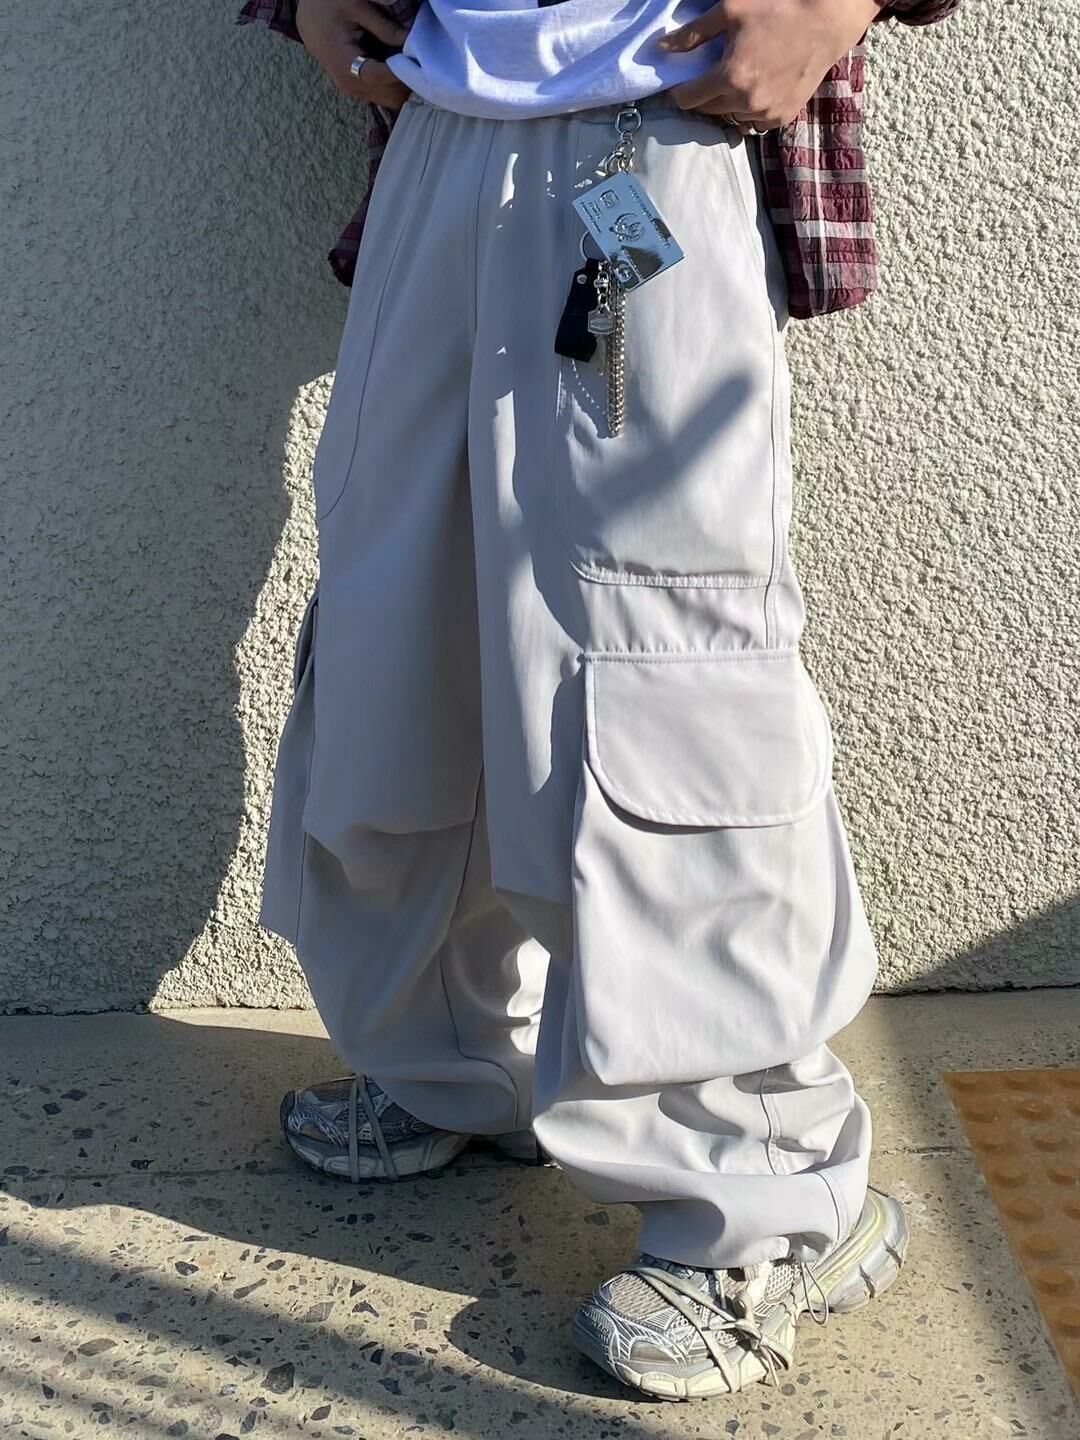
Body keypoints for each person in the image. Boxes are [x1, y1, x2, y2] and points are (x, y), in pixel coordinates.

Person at [241, 0, 961, 1400]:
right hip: (439, 136)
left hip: (656, 133)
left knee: (664, 666)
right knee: (408, 618)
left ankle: (765, 1190)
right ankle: (454, 1058)